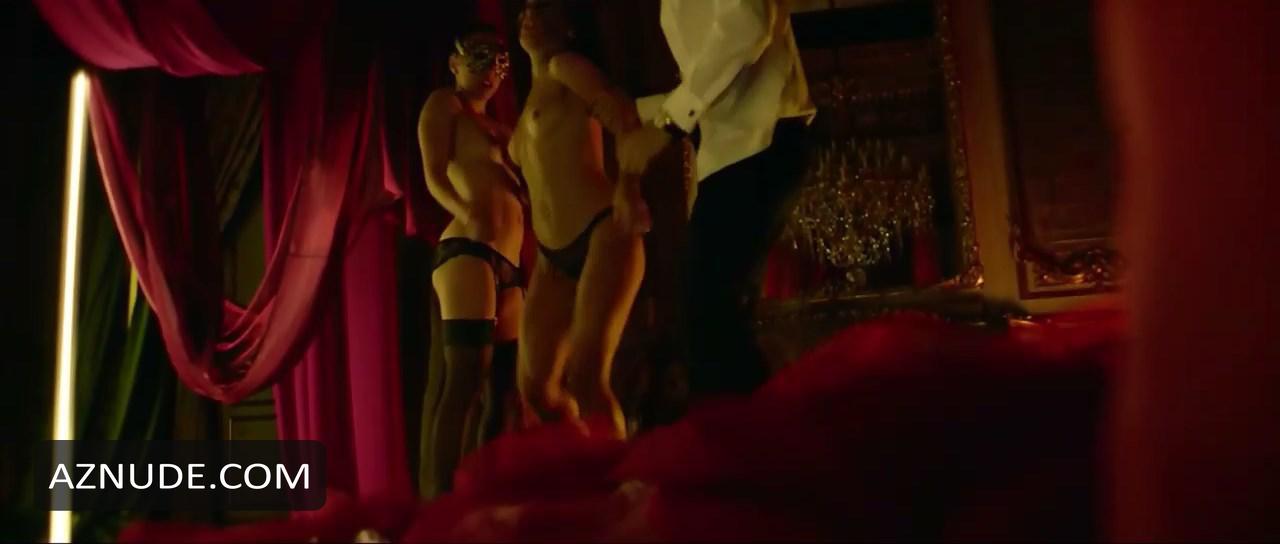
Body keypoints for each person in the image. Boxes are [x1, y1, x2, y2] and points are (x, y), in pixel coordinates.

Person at [618, 0, 815, 401]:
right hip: (744, 147)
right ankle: (752, 433)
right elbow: (723, 72)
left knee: (708, 324)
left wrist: (669, 122)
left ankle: (749, 436)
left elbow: (746, 24)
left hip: (757, 144)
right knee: (713, 324)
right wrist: (643, 112)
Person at [509, 0, 649, 438]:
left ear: (567, 26)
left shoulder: (564, 67)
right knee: (536, 389)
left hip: (602, 231)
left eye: (541, 8)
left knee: (587, 376)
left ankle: (617, 473)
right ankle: (585, 460)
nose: (529, 17)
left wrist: (628, 187)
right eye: (525, 9)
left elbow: (623, 113)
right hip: (552, 258)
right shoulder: (528, 98)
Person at [416, 25, 523, 496]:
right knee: (465, 376)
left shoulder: (501, 128)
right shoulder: (446, 106)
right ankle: (441, 500)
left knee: (503, 386)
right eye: (478, 58)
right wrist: (466, 210)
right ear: (454, 62)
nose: (491, 71)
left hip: (508, 259)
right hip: (469, 247)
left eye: (499, 62)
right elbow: (434, 174)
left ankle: (485, 493)